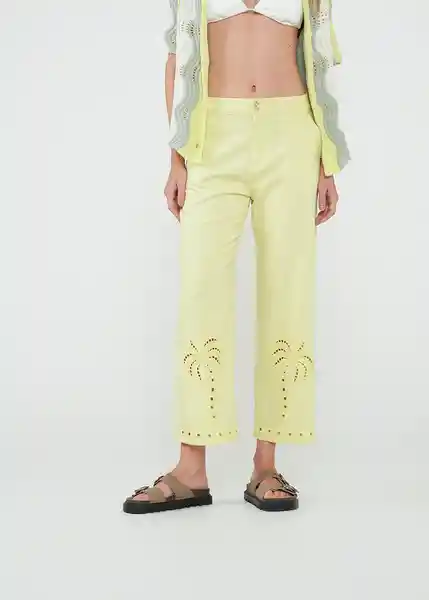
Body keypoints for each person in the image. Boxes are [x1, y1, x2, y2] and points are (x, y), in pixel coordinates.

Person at [123, 0, 349, 514]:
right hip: (211, 136)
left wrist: (326, 164)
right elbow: (178, 57)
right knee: (201, 292)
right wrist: (176, 157)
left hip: (292, 134)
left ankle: (266, 465)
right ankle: (191, 468)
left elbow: (319, 61)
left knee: (288, 289)